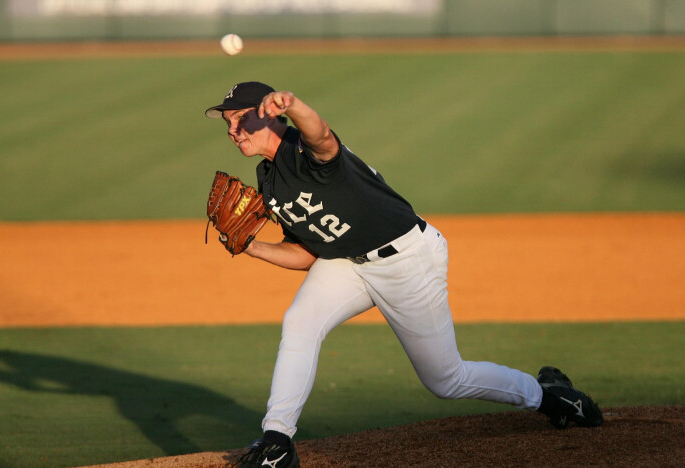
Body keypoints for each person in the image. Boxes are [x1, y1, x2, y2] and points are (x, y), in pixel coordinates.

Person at [205, 81, 603, 468]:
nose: (232, 130)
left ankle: (550, 398)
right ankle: (277, 441)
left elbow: (322, 136)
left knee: (446, 380)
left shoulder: (302, 151)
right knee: (300, 323)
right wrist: (251, 247)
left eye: (241, 119)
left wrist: (293, 105)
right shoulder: (269, 179)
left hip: (407, 259)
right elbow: (308, 252)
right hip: (347, 262)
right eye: (227, 124)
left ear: (270, 116)